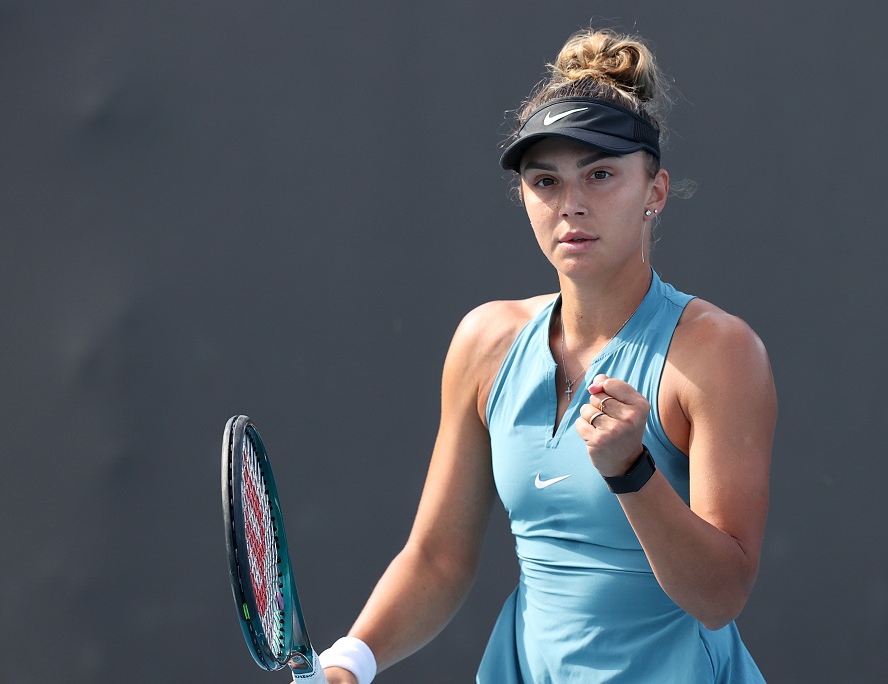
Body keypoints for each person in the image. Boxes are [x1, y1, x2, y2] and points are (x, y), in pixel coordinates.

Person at [311, 27, 777, 683]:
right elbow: (438, 557)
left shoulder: (722, 353)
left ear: (656, 191)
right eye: (545, 181)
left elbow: (720, 596)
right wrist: (349, 662)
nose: (572, 205)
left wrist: (633, 473)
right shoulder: (486, 341)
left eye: (602, 174)